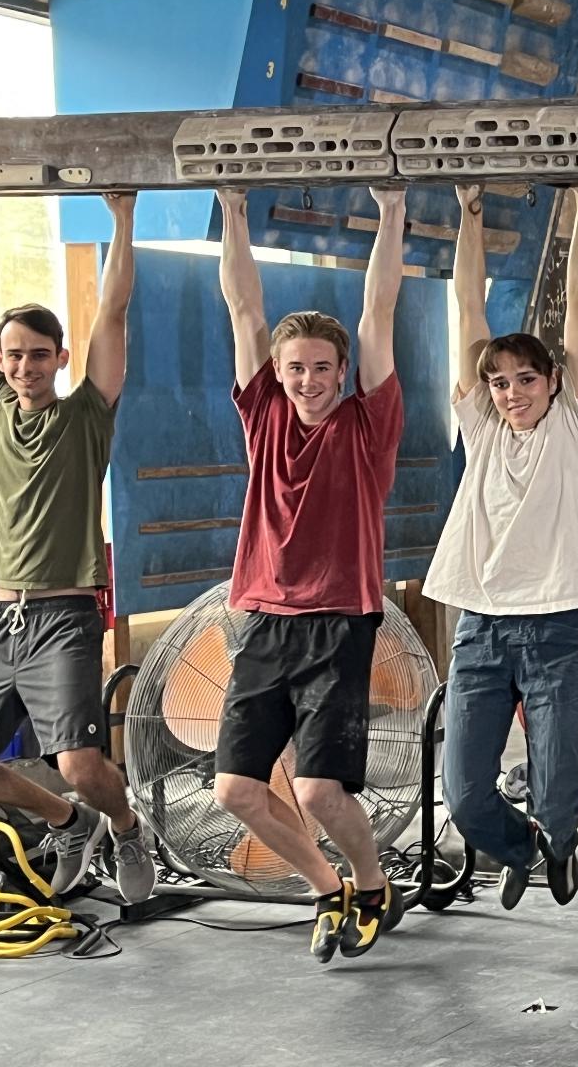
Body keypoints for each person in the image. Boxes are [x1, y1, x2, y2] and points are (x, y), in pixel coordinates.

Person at [0, 193, 153, 904]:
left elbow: (112, 314)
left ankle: (122, 826)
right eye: (13, 356)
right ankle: (67, 821)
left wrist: (123, 217)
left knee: (84, 762)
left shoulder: (88, 414)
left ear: (59, 358)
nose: (24, 366)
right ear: (0, 362)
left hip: (62, 618)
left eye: (38, 355)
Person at [211, 186, 406, 962]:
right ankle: (327, 888)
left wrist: (391, 212)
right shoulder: (262, 412)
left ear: (341, 371)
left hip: (340, 621)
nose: (306, 380)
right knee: (235, 791)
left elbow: (379, 315)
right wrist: (231, 208)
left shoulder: (368, 422)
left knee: (322, 790)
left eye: (321, 368)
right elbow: (245, 313)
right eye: (295, 368)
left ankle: (370, 878)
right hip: (264, 619)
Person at [425, 184, 578, 911]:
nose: (509, 392)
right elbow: (469, 307)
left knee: (559, 791)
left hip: (556, 624)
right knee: (464, 796)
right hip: (480, 627)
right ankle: (521, 847)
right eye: (498, 382)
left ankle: (556, 843)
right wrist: (468, 212)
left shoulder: (574, 429)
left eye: (525, 379)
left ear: (553, 381)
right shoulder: (484, 430)